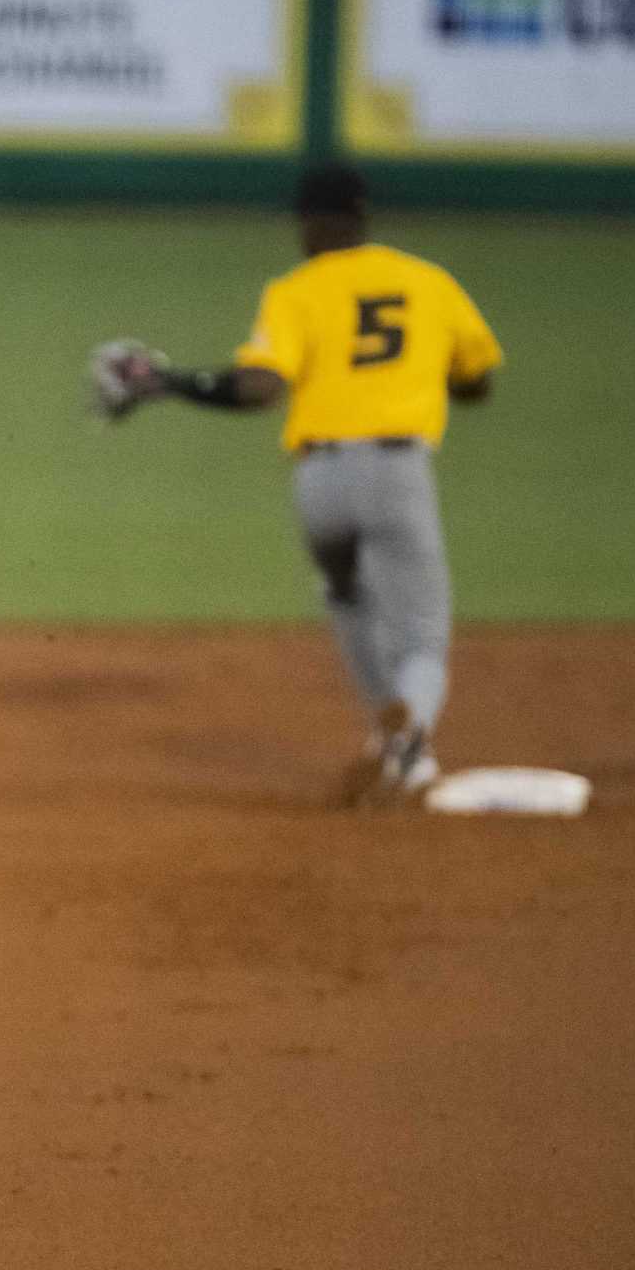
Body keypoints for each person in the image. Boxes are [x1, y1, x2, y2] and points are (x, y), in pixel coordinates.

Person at [96, 163, 503, 801]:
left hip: (320, 482)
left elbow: (259, 389)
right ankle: (410, 727)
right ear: (363, 214)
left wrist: (168, 382)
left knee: (344, 593)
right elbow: (478, 378)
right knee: (423, 635)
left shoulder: (296, 290)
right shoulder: (428, 282)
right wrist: (435, 371)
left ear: (307, 222)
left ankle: (387, 732)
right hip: (398, 472)